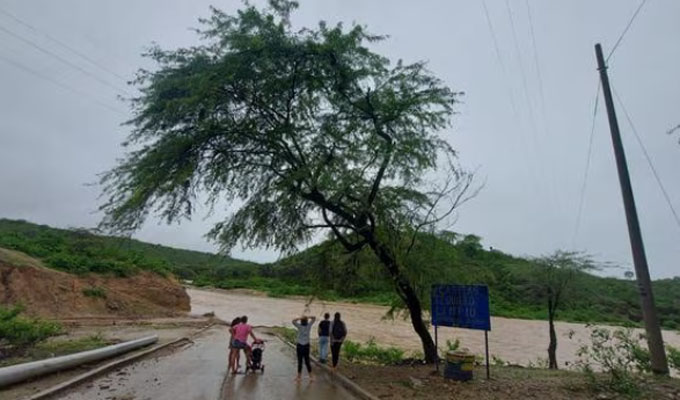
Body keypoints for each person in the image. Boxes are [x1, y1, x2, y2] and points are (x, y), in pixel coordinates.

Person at [292, 315, 316, 382]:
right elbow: (314, 318)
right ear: (307, 321)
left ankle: (299, 377)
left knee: (300, 361)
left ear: (301, 321)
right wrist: (307, 317)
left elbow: (293, 321)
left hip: (300, 346)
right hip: (306, 346)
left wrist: (300, 318)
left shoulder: (299, 326)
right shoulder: (309, 326)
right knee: (307, 361)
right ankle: (311, 376)